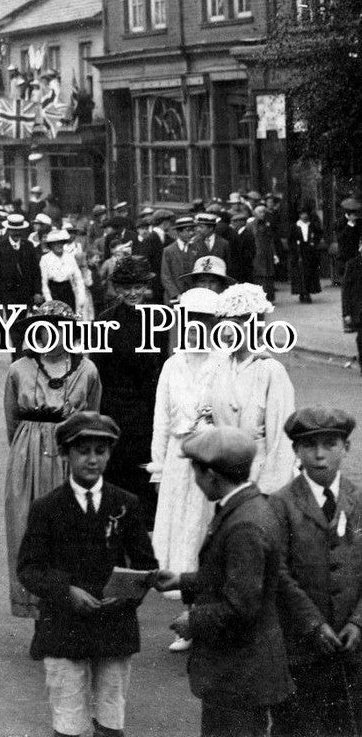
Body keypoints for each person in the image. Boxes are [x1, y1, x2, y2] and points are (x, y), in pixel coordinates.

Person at [17, 411, 158, 737]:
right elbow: (28, 568)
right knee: (68, 718)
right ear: (65, 454)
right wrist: (66, 591)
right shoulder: (47, 508)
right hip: (64, 627)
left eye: (101, 451)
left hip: (114, 626)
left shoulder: (126, 503)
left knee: (111, 715)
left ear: (109, 454)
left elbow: (145, 565)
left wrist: (125, 597)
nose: (92, 460)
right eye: (83, 452)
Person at [154, 427, 293, 737]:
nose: (195, 480)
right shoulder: (247, 507)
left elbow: (242, 605)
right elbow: (230, 576)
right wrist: (183, 581)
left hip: (239, 673)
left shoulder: (244, 524)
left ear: (212, 475)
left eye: (196, 472)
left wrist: (194, 619)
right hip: (242, 671)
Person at [4, 301, 103, 618]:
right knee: (29, 530)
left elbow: (93, 417)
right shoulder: (19, 369)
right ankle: (39, 615)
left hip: (69, 455)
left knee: (70, 533)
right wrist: (26, 452)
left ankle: (68, 613)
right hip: (28, 455)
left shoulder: (87, 370)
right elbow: (12, 422)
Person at [269, 407, 362, 736]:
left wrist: (356, 621)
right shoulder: (280, 504)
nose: (320, 455)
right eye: (309, 446)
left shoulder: (359, 500)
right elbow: (278, 572)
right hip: (300, 648)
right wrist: (313, 622)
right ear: (296, 451)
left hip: (353, 649)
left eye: (330, 444)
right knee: (297, 726)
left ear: (346, 448)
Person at [148, 288, 228, 652]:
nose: (195, 330)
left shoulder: (224, 363)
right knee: (181, 534)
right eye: (189, 323)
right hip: (180, 460)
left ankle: (208, 621)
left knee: (206, 533)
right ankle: (189, 622)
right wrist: (159, 465)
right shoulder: (172, 364)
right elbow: (161, 420)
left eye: (203, 322)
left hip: (212, 460)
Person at [92, 256, 166, 529]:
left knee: (148, 477)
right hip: (116, 411)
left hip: (151, 411)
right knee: (118, 476)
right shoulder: (105, 321)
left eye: (138, 287)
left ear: (146, 287)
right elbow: (98, 370)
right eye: (126, 287)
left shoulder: (162, 320)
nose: (133, 293)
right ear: (117, 289)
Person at [206, 283, 296, 494]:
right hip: (225, 478)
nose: (227, 333)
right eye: (223, 324)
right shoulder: (221, 368)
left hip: (259, 480)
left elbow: (281, 441)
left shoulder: (270, 371)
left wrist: (270, 492)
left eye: (236, 324)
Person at [0, 213, 38, 308]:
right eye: (13, 230)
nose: (16, 233)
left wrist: (37, 291)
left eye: (19, 230)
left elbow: (35, 270)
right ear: (8, 230)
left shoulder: (28, 246)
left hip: (26, 293)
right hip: (7, 294)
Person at [39, 229, 89, 315]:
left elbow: (78, 278)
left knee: (69, 318)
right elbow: (44, 283)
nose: (59, 245)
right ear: (50, 245)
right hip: (53, 290)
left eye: (61, 242)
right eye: (55, 243)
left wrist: (81, 297)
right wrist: (49, 301)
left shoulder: (69, 257)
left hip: (67, 290)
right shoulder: (45, 259)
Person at [289, 207, 323, 303]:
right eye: (302, 214)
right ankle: (301, 293)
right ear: (299, 215)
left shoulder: (311, 225)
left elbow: (318, 235)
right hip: (298, 252)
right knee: (300, 274)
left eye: (306, 214)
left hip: (309, 252)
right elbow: (291, 240)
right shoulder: (295, 226)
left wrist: (314, 243)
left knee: (309, 273)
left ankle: (307, 292)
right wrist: (294, 250)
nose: (304, 216)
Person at [344, 241, 362, 373]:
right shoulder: (352, 264)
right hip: (359, 310)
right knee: (360, 339)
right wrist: (346, 313)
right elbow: (346, 291)